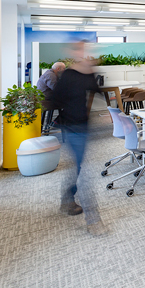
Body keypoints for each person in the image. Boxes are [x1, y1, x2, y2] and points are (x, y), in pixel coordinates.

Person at [52, 42, 105, 235]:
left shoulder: (88, 72)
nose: (82, 53)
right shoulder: (67, 75)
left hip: (84, 126)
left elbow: (97, 90)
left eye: (84, 49)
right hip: (71, 127)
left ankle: (67, 200)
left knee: (78, 168)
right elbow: (55, 99)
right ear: (71, 52)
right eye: (78, 49)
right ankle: (93, 221)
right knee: (85, 176)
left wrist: (91, 69)